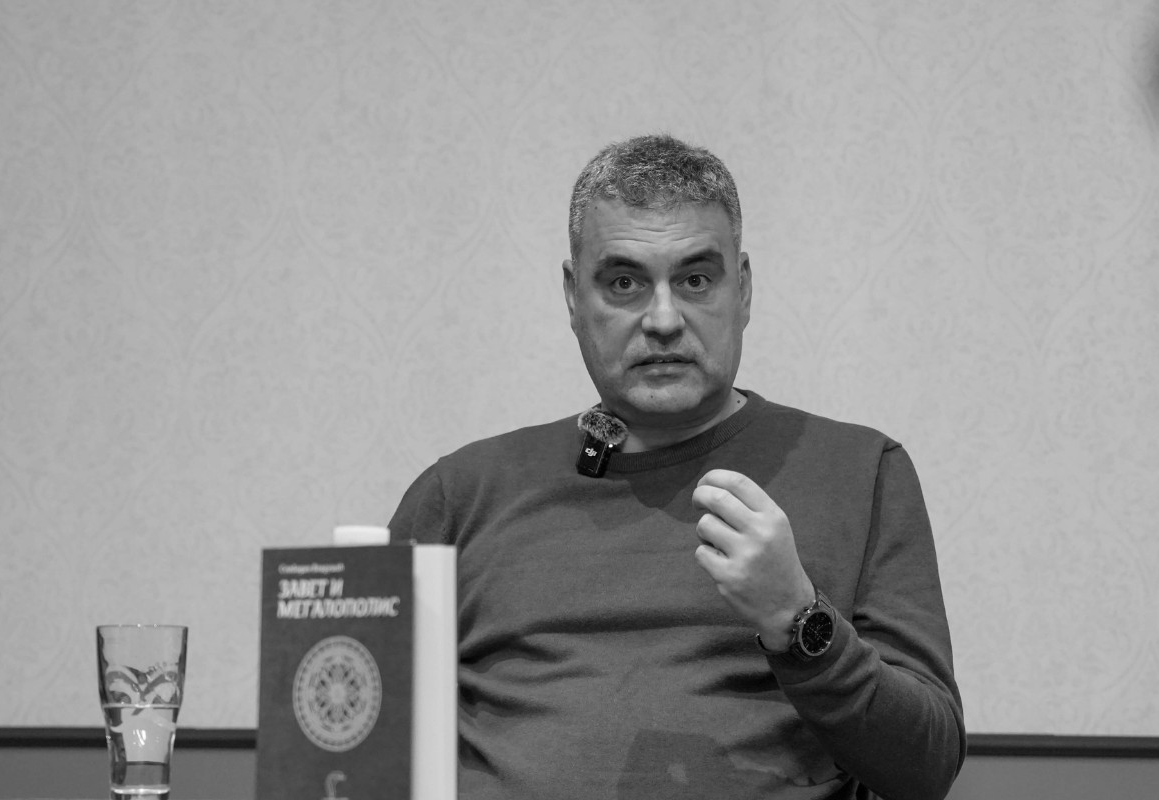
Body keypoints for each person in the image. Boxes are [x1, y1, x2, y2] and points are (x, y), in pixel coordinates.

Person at [388, 134, 965, 800]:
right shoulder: (460, 495)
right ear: (573, 297)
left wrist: (797, 618)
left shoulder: (861, 472)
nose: (663, 320)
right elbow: (360, 737)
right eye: (624, 283)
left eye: (695, 280)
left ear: (742, 290)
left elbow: (925, 769)